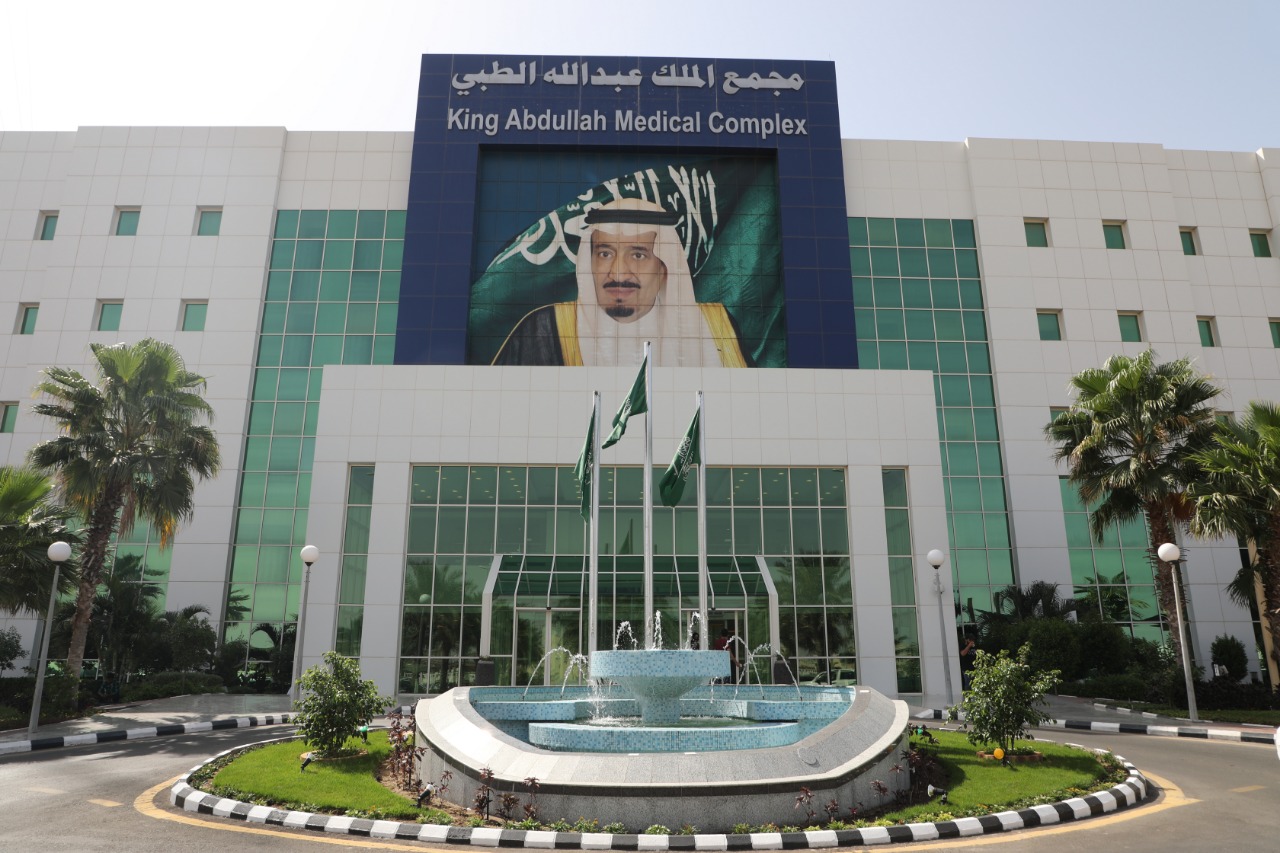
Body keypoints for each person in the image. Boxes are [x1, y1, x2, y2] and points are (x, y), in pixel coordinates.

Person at [491, 198, 753, 367]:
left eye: (638, 255)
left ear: (664, 268)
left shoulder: (715, 328)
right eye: (605, 254)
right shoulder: (544, 329)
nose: (618, 273)